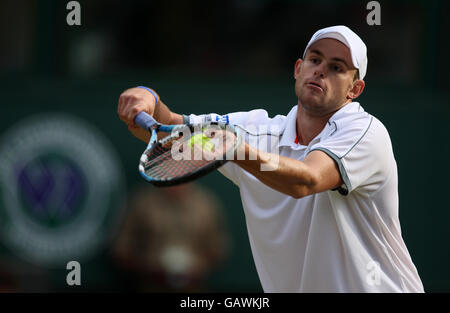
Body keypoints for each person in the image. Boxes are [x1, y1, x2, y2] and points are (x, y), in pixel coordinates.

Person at [117, 25, 424, 292]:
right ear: (298, 69)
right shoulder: (257, 130)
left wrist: (236, 151)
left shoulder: (366, 132)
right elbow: (173, 135)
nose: (320, 70)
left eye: (337, 67)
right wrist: (148, 99)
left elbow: (307, 180)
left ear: (354, 89)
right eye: (315, 60)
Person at [112, 183, 230, 292]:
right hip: (152, 286)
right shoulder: (143, 202)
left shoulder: (205, 204)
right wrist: (149, 271)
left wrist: (197, 271)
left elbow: (218, 248)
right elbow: (122, 249)